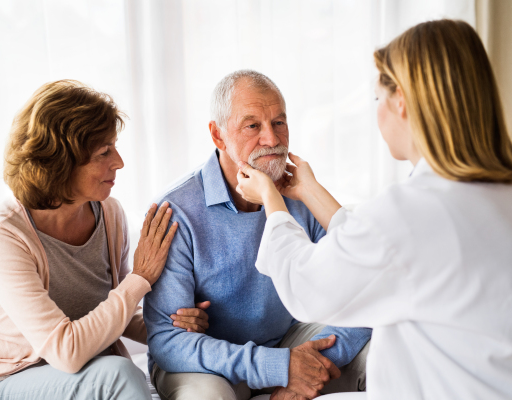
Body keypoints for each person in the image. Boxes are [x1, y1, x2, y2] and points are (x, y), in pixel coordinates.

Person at [235, 20, 512, 400]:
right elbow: (385, 251)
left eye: (377, 99)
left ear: (400, 101)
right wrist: (309, 190)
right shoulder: (511, 192)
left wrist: (272, 200)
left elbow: (309, 287)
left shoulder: (413, 211)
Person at [0, 80, 210, 400]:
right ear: (62, 161)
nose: (119, 161)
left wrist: (174, 324)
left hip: (80, 372)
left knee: (121, 371)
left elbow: (118, 313)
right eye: (104, 151)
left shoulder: (109, 214)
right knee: (118, 375)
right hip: (4, 378)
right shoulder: (0, 234)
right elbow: (67, 351)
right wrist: (141, 277)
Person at [143, 70, 372, 400]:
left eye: (279, 122)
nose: (272, 139)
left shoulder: (300, 195)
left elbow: (365, 293)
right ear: (218, 136)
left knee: (383, 353)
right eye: (253, 126)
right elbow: (169, 341)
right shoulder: (175, 210)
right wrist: (278, 367)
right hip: (208, 361)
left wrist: (311, 366)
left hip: (286, 341)